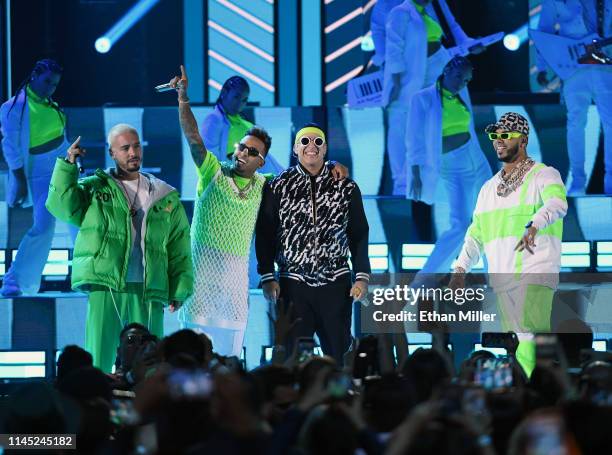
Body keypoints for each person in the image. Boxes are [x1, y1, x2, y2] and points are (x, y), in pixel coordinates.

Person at [168, 66, 348, 357]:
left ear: (260, 162)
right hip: (201, 282)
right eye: (241, 148)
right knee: (191, 361)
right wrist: (183, 100)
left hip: (235, 289)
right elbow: (195, 141)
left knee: (229, 363)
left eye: (251, 152)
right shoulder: (213, 172)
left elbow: (300, 175)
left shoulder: (264, 185)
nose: (242, 153)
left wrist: (331, 166)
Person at [45, 125, 193, 372]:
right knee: (98, 358)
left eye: (136, 146)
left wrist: (179, 288)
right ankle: (95, 404)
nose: (133, 152)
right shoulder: (96, 187)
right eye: (125, 148)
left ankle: (148, 408)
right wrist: (68, 166)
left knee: (150, 361)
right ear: (112, 152)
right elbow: (61, 206)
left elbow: (179, 244)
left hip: (148, 287)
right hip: (107, 283)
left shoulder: (165, 195)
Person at [450, 112, 568, 376]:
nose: (498, 141)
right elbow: (475, 234)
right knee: (516, 342)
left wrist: (535, 223)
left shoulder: (544, 174)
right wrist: (459, 270)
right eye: (495, 135)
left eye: (506, 135)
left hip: (535, 271)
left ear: (523, 140)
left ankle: (537, 393)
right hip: (503, 278)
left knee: (530, 337)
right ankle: (529, 390)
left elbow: (558, 204)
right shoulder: (488, 188)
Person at [256, 124, 371, 365]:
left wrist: (361, 276)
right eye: (305, 141)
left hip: (336, 284)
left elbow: (358, 233)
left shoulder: (346, 187)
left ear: (326, 149)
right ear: (295, 148)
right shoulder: (278, 186)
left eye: (318, 142)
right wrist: (267, 275)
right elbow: (265, 234)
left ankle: (338, 401)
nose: (312, 146)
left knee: (338, 357)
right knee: (294, 359)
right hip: (293, 284)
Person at [383, 0, 481, 195]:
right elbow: (394, 48)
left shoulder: (436, 6)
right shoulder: (401, 12)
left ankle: (449, 178)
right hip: (412, 74)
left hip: (439, 66)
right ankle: (401, 183)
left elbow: (453, 28)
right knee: (401, 123)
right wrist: (394, 80)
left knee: (439, 122)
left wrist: (470, 44)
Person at [406, 56, 492, 277]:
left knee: (491, 218)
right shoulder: (423, 98)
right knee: (461, 225)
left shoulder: (461, 96)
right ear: (446, 70)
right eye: (458, 77)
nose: (461, 83)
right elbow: (414, 139)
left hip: (476, 157)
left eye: (466, 80)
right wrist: (415, 174)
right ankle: (423, 282)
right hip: (452, 164)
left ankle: (499, 282)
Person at [0, 59, 70, 296]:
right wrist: (19, 179)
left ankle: (90, 276)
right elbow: (10, 147)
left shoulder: (52, 105)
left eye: (55, 84)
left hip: (64, 165)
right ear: (34, 76)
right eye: (47, 81)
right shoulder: (14, 108)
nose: (51, 87)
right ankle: (15, 281)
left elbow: (61, 135)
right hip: (39, 172)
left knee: (79, 220)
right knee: (44, 226)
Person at [535, 0, 612, 195]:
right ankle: (578, 182)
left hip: (605, 63)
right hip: (573, 66)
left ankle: (610, 181)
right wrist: (542, 66)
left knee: (610, 123)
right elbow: (544, 30)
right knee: (575, 123)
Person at [201, 75, 284, 175]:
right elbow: (209, 157)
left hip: (258, 170)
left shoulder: (243, 121)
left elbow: (267, 159)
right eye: (236, 97)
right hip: (234, 177)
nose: (240, 103)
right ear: (224, 93)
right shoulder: (214, 119)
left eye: (244, 100)